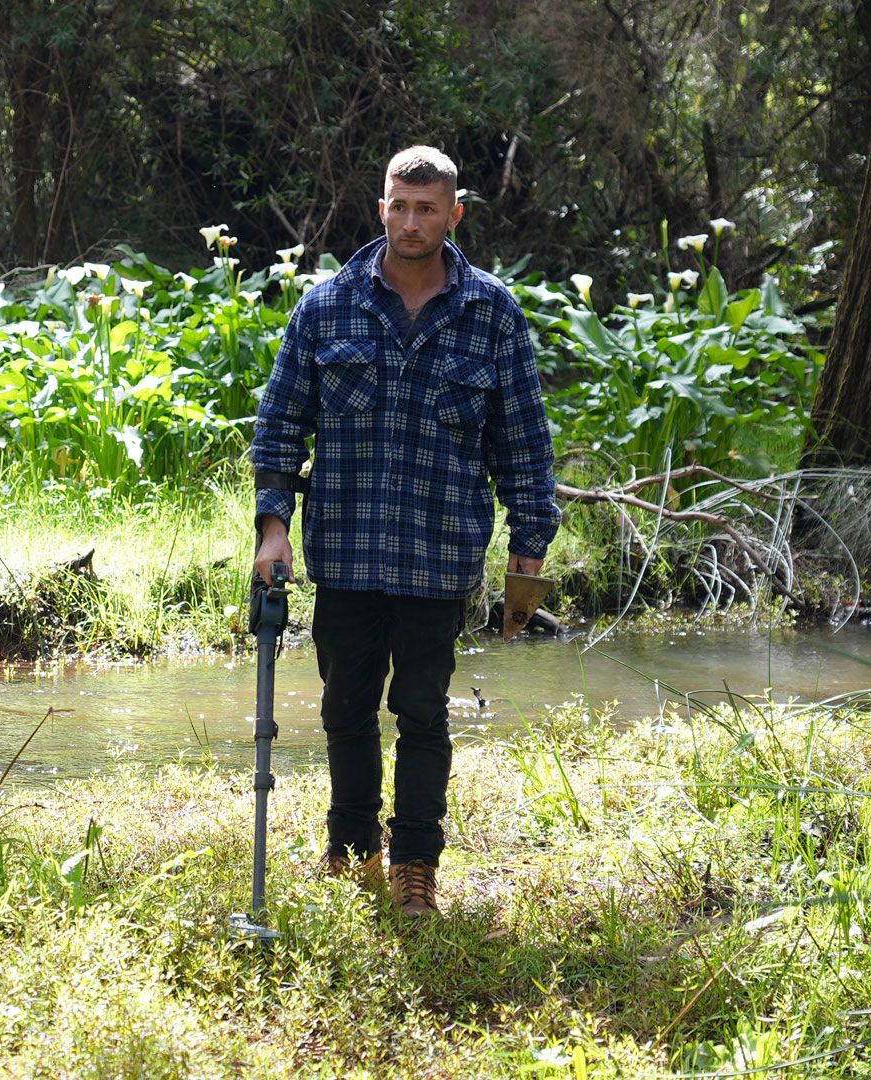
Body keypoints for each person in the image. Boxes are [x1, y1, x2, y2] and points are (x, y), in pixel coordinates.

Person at [250, 145, 559, 917]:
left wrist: (529, 556)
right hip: (347, 554)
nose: (411, 221)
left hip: (439, 555)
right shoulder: (325, 308)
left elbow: (523, 444)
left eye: (428, 208)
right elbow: (281, 427)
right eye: (399, 205)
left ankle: (416, 862)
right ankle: (352, 849)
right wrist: (272, 528)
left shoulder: (492, 314)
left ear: (455, 214)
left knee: (424, 714)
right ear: (380, 206)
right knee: (344, 708)